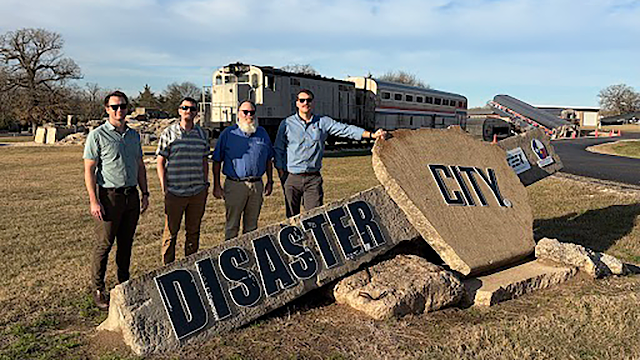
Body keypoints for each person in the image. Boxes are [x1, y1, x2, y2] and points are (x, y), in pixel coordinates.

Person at [83, 90, 149, 311]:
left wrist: (145, 193)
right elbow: (89, 170)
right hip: (109, 197)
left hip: (131, 195)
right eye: (114, 107)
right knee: (104, 244)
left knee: (126, 244)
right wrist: (94, 201)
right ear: (107, 109)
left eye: (123, 106)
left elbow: (140, 166)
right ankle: (98, 288)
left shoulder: (133, 136)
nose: (119, 110)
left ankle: (123, 283)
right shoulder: (97, 135)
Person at [274, 89, 387, 217]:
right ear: (297, 103)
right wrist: (281, 172)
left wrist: (371, 135)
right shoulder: (287, 123)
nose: (305, 103)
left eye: (309, 100)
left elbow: (345, 130)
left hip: (313, 179)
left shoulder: (323, 122)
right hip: (292, 178)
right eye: (302, 100)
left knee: (315, 217)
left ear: (312, 103)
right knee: (291, 218)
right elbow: (279, 148)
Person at [156, 97, 210, 265]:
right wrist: (164, 186)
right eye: (185, 108)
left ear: (196, 112)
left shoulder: (201, 134)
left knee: (193, 232)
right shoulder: (169, 133)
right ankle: (167, 267)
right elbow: (160, 161)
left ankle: (190, 264)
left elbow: (204, 160)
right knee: (170, 233)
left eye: (192, 109)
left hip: (197, 192)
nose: (188, 111)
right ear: (179, 111)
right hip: (175, 192)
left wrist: (205, 183)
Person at [212, 100, 274, 240]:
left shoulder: (262, 134)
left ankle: (250, 258)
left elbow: (268, 159)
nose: (248, 115)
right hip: (235, 185)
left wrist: (270, 181)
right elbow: (216, 161)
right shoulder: (228, 134)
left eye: (252, 112)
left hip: (257, 186)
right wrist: (216, 185)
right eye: (245, 112)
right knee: (232, 226)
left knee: (252, 227)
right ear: (238, 114)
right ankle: (230, 257)